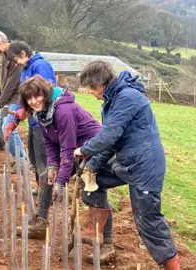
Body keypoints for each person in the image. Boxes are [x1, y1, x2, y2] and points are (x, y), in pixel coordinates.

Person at [71, 60, 180, 270]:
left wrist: (84, 150)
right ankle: (98, 234)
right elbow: (112, 142)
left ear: (100, 85)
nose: (91, 93)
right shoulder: (112, 101)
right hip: (127, 162)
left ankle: (172, 265)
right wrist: (92, 165)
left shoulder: (127, 97)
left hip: (145, 166)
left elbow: (109, 135)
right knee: (93, 181)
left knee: (147, 219)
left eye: (91, 89)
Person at [18, 75, 116, 263]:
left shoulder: (63, 111)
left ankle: (108, 245)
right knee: (48, 175)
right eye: (29, 99)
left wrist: (62, 182)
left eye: (36, 96)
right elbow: (50, 143)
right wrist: (53, 166)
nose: (33, 101)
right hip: (74, 151)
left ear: (45, 94)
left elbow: (67, 148)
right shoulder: (41, 113)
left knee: (93, 191)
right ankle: (41, 221)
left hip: (94, 150)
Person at [5, 41, 57, 238]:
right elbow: (28, 100)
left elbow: (46, 96)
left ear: (25, 53)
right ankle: (43, 202)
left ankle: (41, 219)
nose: (17, 63)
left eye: (17, 59)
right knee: (36, 164)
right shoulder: (28, 68)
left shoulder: (40, 66)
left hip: (45, 126)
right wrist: (17, 118)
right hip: (35, 125)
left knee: (46, 169)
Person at [0, 30, 25, 168]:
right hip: (8, 99)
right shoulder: (5, 57)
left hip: (17, 99)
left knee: (7, 126)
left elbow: (11, 84)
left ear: (3, 42)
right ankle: (19, 157)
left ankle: (22, 161)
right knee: (0, 126)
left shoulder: (15, 57)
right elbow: (4, 82)